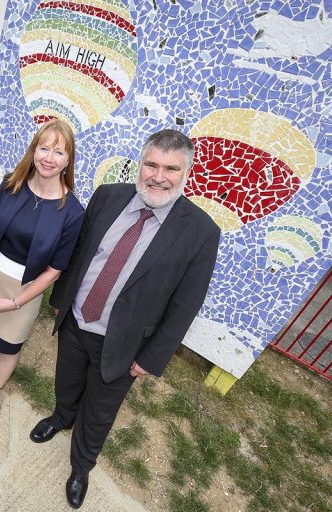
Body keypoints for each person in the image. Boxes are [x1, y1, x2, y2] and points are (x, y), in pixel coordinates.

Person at [29, 129, 221, 509]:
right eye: (151, 164)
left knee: (100, 411)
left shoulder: (201, 232)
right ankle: (61, 417)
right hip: (76, 322)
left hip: (124, 344)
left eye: (171, 168)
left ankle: (81, 466)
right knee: (66, 382)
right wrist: (61, 300)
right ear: (140, 163)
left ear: (186, 173)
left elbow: (185, 305)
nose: (158, 176)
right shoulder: (108, 196)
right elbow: (80, 252)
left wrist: (151, 358)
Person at [0, 119, 84, 422]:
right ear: (33, 150)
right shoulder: (10, 184)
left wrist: (15, 302)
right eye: (44, 148)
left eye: (59, 152)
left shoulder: (73, 212)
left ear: (68, 160)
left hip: (26, 290)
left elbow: (55, 270)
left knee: (10, 344)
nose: (49, 158)